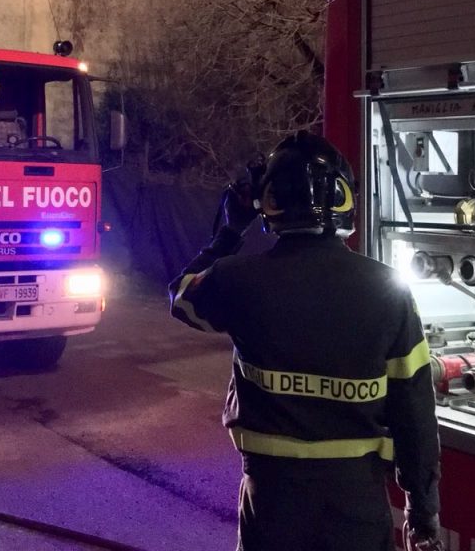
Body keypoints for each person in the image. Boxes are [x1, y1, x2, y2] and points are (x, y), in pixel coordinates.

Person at [169, 131, 444, 551]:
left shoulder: (237, 280)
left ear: (270, 203)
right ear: (344, 200)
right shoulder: (389, 289)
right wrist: (422, 509)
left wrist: (229, 231)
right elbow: (415, 413)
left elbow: (182, 298)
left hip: (271, 498)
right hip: (356, 499)